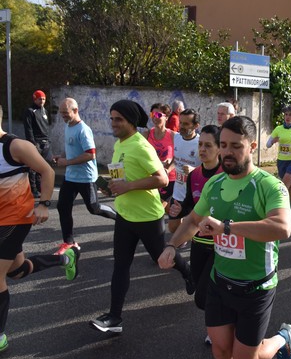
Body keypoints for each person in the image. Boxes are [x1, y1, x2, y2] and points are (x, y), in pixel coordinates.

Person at [158, 116, 291, 359]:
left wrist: (227, 228)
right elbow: (192, 220)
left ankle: (282, 338)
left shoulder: (270, 186)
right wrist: (172, 245)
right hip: (220, 283)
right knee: (221, 350)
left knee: (245, 357)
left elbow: (282, 227)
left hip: (256, 287)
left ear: (252, 147)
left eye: (236, 146)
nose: (227, 152)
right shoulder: (215, 183)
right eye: (223, 145)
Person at [89, 100, 193, 334]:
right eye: (112, 118)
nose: (113, 123)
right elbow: (122, 176)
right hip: (125, 216)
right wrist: (112, 187)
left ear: (131, 122)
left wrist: (129, 186)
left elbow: (162, 179)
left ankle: (189, 273)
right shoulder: (120, 144)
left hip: (147, 217)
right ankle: (115, 318)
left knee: (162, 257)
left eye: (119, 119)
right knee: (120, 266)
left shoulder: (141, 146)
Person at [0, 104, 79, 352]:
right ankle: (64, 259)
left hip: (15, 218)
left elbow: (46, 170)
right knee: (17, 271)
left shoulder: (15, 146)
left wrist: (44, 204)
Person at [168, 124, 222, 345]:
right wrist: (179, 209)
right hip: (198, 241)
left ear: (220, 149)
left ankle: (219, 328)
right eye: (200, 145)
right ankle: (217, 325)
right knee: (201, 296)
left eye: (208, 145)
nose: (202, 149)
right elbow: (192, 206)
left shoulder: (226, 176)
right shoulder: (195, 175)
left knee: (203, 296)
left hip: (221, 245)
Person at [54, 98, 117, 255]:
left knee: (94, 208)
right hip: (70, 177)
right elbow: (69, 146)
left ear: (75, 110)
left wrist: (67, 162)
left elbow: (90, 154)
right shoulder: (69, 125)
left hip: (86, 177)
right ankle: (69, 243)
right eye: (61, 113)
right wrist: (60, 156)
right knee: (63, 207)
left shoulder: (83, 129)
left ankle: (120, 218)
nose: (63, 116)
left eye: (65, 113)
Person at [168, 109, 202, 233]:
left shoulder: (201, 143)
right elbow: (176, 159)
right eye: (181, 123)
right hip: (178, 192)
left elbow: (210, 168)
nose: (181, 126)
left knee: (196, 230)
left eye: (186, 124)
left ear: (196, 126)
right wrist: (168, 167)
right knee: (172, 228)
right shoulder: (176, 138)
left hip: (194, 195)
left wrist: (194, 170)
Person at [144, 103, 176, 208]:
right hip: (152, 177)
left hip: (168, 179)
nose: (155, 117)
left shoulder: (173, 136)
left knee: (157, 208)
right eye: (152, 114)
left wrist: (168, 168)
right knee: (164, 210)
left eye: (158, 115)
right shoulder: (146, 134)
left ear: (166, 117)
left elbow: (179, 158)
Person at [22, 90, 53, 198]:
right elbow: (28, 129)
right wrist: (32, 143)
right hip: (36, 142)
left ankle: (40, 187)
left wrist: (48, 140)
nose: (42, 101)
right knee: (33, 168)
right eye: (40, 99)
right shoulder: (30, 111)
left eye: (44, 99)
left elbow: (46, 127)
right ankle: (33, 189)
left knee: (43, 167)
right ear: (35, 99)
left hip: (46, 142)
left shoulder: (44, 110)